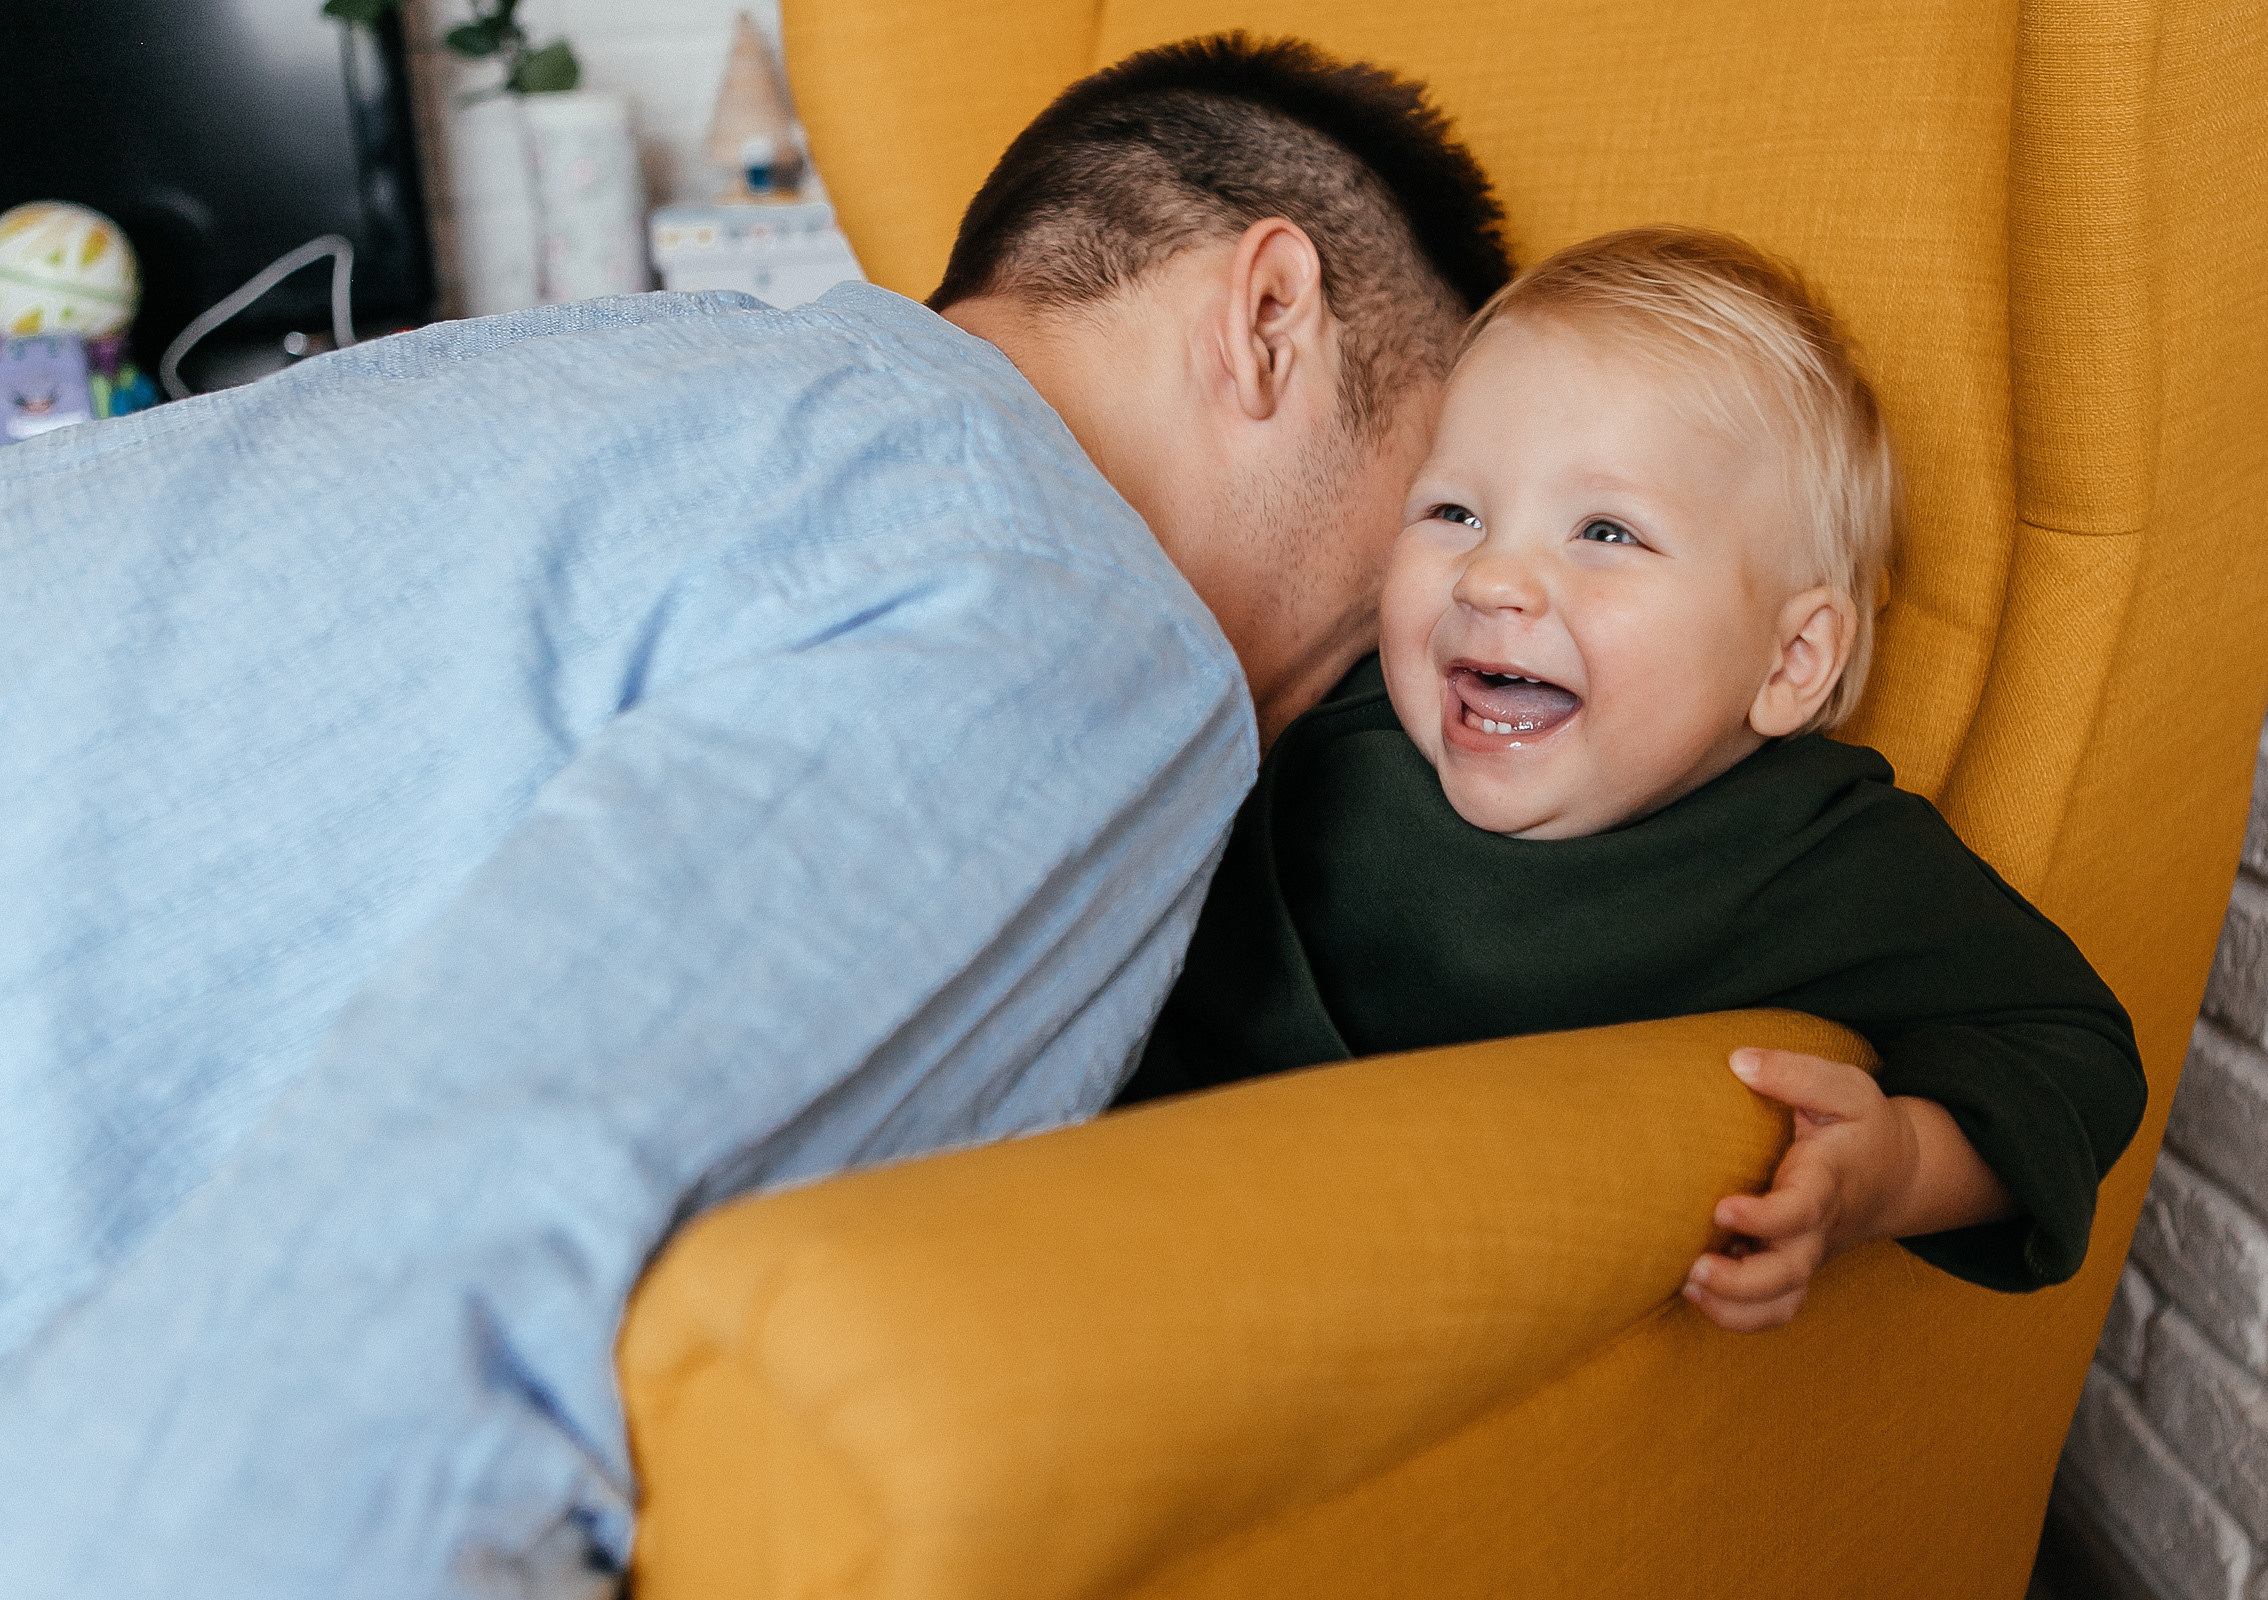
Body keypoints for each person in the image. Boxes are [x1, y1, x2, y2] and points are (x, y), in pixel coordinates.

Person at [0, 34, 1510, 1598]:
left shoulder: (613, 375)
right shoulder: (1075, 599)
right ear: (1268, 318)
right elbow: (347, 1382)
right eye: (1434, 513)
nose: (1395, 654)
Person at [1117, 227, 2148, 1328]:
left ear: (1790, 662)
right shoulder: (1344, 719)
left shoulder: (1814, 857)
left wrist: (1895, 1169)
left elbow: (2075, 1052)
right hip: (1119, 1188)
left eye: (1606, 531)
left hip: (1377, 1304)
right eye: (1455, 513)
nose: (1492, 577)